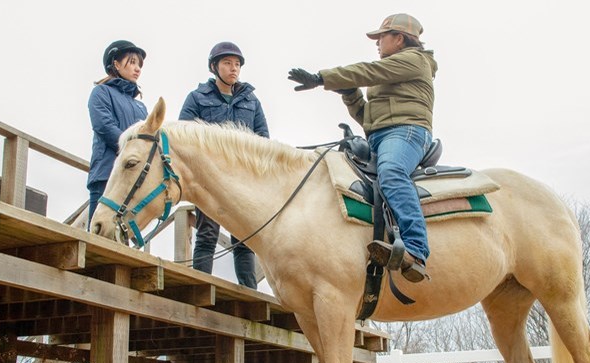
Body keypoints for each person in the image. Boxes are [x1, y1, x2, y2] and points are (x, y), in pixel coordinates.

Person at [288, 13, 437, 282]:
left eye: (381, 37)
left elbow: (367, 71)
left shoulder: (415, 61)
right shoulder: (393, 72)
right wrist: (350, 94)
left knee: (391, 173)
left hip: (408, 132)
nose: (377, 43)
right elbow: (369, 118)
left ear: (399, 39)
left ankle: (416, 251)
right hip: (380, 136)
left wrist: (321, 78)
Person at [179, 41, 269, 289]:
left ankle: (250, 292)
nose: (234, 68)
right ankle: (200, 288)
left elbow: (264, 141)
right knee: (206, 235)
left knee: (244, 238)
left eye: (237, 64)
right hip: (208, 180)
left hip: (242, 183)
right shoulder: (196, 98)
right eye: (228, 63)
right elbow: (183, 136)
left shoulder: (252, 102)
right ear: (214, 66)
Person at [87, 40, 148, 225]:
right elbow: (104, 126)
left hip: (132, 178)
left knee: (124, 235)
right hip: (106, 172)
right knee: (98, 236)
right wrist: (133, 149)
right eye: (132, 62)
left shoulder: (141, 107)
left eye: (139, 64)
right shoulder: (101, 92)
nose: (137, 69)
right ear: (115, 64)